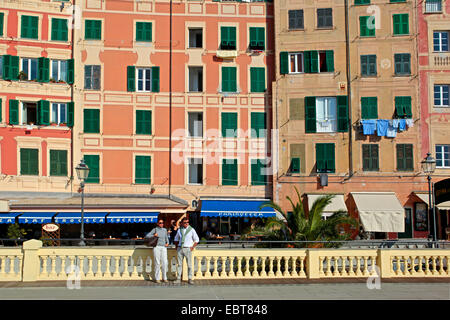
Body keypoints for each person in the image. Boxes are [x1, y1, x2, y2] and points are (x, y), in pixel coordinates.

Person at [173, 217, 199, 285]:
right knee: (179, 265)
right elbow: (176, 239)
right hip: (180, 248)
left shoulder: (191, 230)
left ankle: (190, 278)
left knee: (189, 265)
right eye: (185, 223)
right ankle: (178, 278)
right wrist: (176, 247)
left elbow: (196, 239)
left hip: (188, 248)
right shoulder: (179, 230)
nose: (186, 224)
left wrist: (192, 247)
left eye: (187, 222)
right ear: (182, 223)